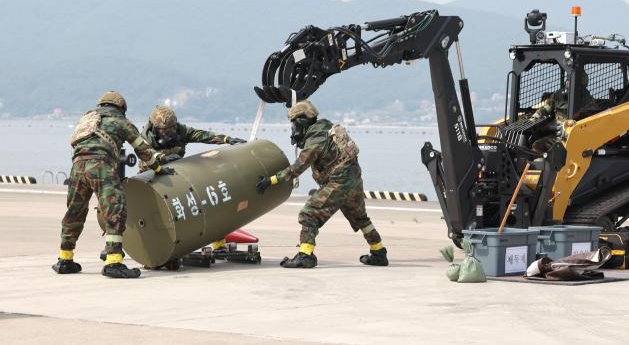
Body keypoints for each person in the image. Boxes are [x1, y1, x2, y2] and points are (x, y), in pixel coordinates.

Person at [54, 91, 174, 278]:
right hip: (100, 166)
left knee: (74, 211)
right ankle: (114, 262)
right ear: (121, 108)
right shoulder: (121, 122)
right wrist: (158, 169)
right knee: (115, 210)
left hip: (77, 166)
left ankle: (64, 259)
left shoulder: (87, 120)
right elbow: (143, 149)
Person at [256, 100, 388, 268]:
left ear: (301, 121)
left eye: (294, 124)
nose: (294, 128)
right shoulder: (327, 129)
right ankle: (379, 252)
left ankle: (305, 255)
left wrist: (272, 180)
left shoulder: (316, 139)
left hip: (339, 182)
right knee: (361, 218)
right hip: (354, 179)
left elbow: (298, 167)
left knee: (309, 214)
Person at [139, 104, 246, 252]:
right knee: (151, 213)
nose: (170, 133)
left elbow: (203, 136)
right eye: (165, 130)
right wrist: (164, 158)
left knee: (204, 202)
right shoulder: (144, 138)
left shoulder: (181, 131)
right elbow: (148, 153)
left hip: (175, 172)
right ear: (155, 129)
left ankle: (218, 244)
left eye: (172, 128)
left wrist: (227, 139)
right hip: (152, 174)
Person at [530, 71, 594, 153]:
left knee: (541, 146)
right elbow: (546, 109)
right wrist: (535, 117)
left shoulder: (587, 99)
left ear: (582, 84)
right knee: (537, 145)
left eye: (573, 82)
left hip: (576, 135)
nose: (569, 84)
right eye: (568, 81)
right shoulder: (558, 95)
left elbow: (591, 117)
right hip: (557, 132)